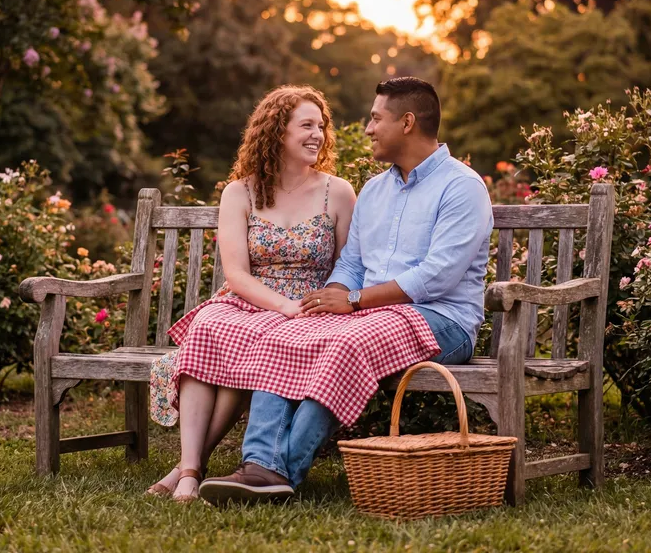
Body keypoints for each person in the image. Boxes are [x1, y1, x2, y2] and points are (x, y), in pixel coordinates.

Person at [199, 77, 494, 505]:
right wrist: (327, 300)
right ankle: (258, 465)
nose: (368, 128)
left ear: (407, 122)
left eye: (376, 119)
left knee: (347, 344)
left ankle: (281, 470)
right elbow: (352, 264)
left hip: (443, 321)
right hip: (376, 316)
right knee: (286, 331)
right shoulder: (375, 191)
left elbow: (438, 277)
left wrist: (354, 301)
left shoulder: (461, 187)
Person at [146, 85, 356, 502]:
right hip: (251, 300)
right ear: (277, 131)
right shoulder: (240, 192)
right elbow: (237, 274)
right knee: (207, 325)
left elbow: (350, 266)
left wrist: (316, 304)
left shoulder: (339, 192)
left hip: (311, 309)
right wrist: (282, 305)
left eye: (321, 126)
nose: (318, 134)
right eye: (306, 125)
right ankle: (190, 469)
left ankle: (186, 469)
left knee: (256, 341)